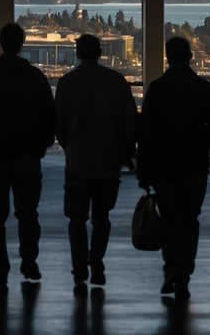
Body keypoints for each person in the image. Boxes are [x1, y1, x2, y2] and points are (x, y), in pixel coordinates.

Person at [0, 22, 55, 293]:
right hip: (27, 156)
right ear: (22, 43)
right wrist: (41, 145)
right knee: (28, 213)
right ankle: (29, 261)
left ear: (1, 43)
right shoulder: (35, 78)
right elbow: (48, 117)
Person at [137, 37, 210, 301]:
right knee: (189, 218)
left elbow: (147, 133)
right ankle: (184, 272)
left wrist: (144, 168)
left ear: (168, 57)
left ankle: (171, 268)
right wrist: (200, 144)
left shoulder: (158, 89)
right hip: (194, 165)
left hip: (164, 165)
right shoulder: (204, 88)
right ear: (190, 57)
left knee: (170, 217)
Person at [55, 34, 137, 295]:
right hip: (108, 162)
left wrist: (69, 146)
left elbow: (59, 124)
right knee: (102, 218)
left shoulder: (67, 83)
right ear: (100, 52)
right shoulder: (116, 82)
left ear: (78, 53)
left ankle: (79, 267)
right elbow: (129, 123)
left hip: (78, 161)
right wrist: (126, 153)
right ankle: (97, 262)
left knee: (76, 218)